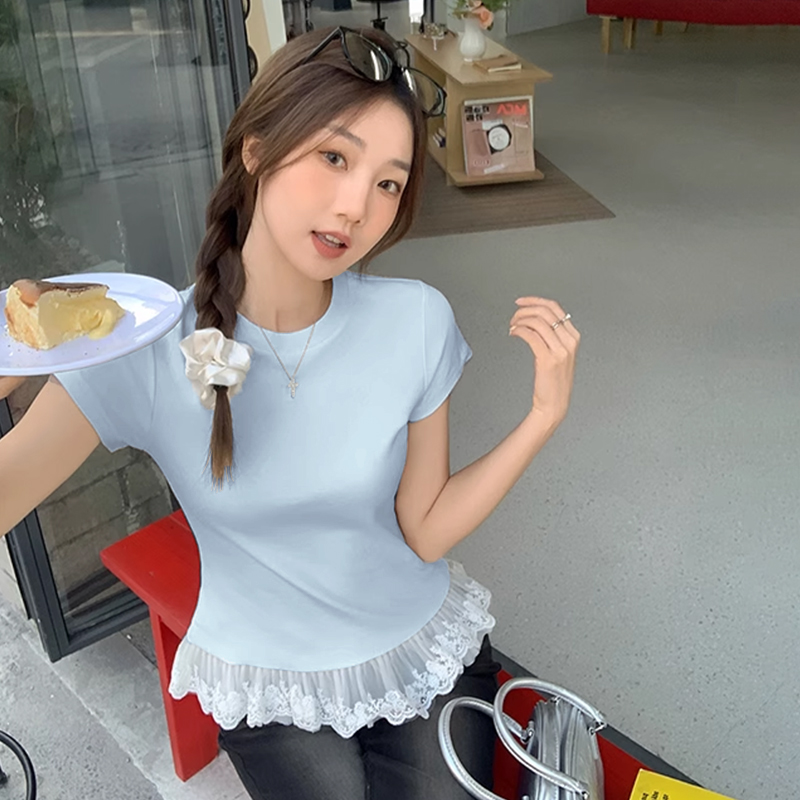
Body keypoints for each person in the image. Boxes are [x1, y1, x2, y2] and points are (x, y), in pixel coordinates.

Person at [0, 25, 580, 800]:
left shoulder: (415, 321)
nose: (356, 207)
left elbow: (425, 529)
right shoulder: (147, 347)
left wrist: (541, 416)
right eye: (334, 158)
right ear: (256, 149)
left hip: (415, 643)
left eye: (388, 183)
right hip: (271, 679)